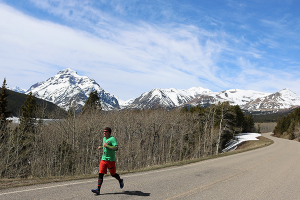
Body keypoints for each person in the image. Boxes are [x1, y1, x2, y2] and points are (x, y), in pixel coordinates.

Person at [91, 127, 124, 195]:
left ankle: (120, 180)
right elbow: (105, 146)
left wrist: (107, 146)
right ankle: (98, 189)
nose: (104, 132)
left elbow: (116, 148)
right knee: (101, 173)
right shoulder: (104, 138)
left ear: (109, 132)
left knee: (113, 174)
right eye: (103, 131)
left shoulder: (112, 139)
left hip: (111, 160)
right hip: (103, 159)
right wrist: (102, 147)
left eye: (105, 131)